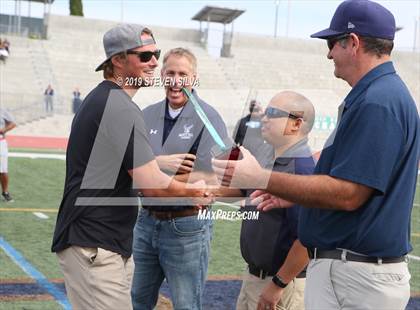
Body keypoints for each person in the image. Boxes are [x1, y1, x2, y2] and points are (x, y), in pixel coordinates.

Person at [213, 1, 420, 309]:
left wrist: (259, 177)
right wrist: (296, 195)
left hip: (358, 275)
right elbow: (346, 178)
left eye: (331, 43)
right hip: (352, 271)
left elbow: (349, 194)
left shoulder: (378, 100)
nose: (328, 53)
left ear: (353, 42)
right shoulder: (376, 95)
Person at [51, 24, 211, 310]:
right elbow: (150, 183)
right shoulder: (119, 105)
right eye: (145, 55)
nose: (154, 62)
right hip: (94, 243)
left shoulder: (107, 99)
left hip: (104, 242)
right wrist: (193, 191)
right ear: (118, 60)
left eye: (156, 54)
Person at [131, 47, 228, 310]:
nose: (176, 80)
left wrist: (187, 183)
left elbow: (223, 173)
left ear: (194, 78)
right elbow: (132, 169)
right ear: (162, 75)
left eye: (183, 74)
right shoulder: (145, 114)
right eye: (170, 73)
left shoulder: (209, 117)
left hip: (187, 226)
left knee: (186, 304)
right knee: (137, 300)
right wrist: (158, 167)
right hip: (146, 221)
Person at [234, 91, 315, 310]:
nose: (264, 118)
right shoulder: (268, 157)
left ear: (296, 124)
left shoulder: (301, 170)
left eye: (273, 113)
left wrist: (278, 284)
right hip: (254, 277)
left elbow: (307, 240)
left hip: (278, 286)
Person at [233, 100, 273, 165]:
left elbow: (272, 138)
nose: (255, 106)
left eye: (257, 106)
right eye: (253, 106)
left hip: (261, 157)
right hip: (245, 156)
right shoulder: (242, 121)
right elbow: (235, 139)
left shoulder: (265, 121)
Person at [0, 108, 16, 202]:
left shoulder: (2, 110)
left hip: (0, 142)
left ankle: (5, 192)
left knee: (3, 170)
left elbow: (13, 124)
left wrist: (3, 130)